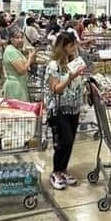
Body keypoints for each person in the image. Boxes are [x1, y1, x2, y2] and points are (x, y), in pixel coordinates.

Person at [44, 32, 86, 190]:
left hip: (74, 108)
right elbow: (56, 89)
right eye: (70, 45)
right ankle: (56, 171)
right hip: (58, 109)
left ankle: (63, 170)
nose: (74, 48)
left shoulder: (73, 62)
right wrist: (70, 77)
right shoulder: (53, 66)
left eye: (74, 45)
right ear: (63, 47)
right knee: (64, 140)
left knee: (70, 141)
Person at [2, 28, 35, 102]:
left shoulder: (15, 49)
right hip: (15, 86)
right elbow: (22, 70)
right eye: (17, 38)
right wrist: (30, 58)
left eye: (21, 37)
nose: (20, 40)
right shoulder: (11, 51)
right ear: (11, 39)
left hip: (20, 84)